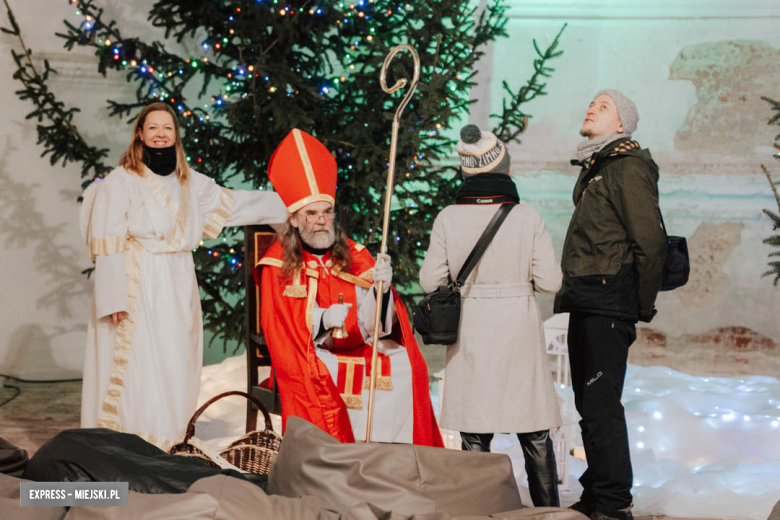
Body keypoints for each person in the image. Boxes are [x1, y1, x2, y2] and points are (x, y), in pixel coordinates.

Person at [79, 102, 288, 450]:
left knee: (177, 357)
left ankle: (168, 434)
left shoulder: (190, 182)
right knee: (140, 362)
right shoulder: (121, 181)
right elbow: (109, 241)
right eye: (153, 128)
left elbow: (235, 203)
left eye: (168, 128)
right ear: (140, 134)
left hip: (178, 280)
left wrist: (290, 204)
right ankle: (130, 438)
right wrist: (113, 297)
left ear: (176, 136)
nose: (160, 134)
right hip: (138, 281)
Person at [254, 128, 443, 446]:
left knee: (407, 366)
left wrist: (380, 291)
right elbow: (282, 329)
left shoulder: (356, 255)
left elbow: (381, 327)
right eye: (311, 214)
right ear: (295, 220)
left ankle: (390, 463)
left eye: (326, 212)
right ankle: (336, 465)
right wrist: (323, 320)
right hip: (312, 352)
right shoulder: (278, 264)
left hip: (359, 345)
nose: (321, 220)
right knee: (321, 373)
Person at [419, 124, 563, 507]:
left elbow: (430, 279)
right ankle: (548, 513)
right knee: (534, 431)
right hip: (518, 327)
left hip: (472, 329)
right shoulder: (527, 216)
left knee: (475, 431)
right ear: (503, 168)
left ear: (467, 171)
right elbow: (550, 281)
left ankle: (478, 511)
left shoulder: (447, 217)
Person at [554, 90, 667, 520]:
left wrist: (634, 305)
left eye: (603, 106)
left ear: (621, 125)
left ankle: (615, 504)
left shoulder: (628, 168)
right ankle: (598, 492)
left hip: (608, 302)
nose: (591, 108)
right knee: (588, 405)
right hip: (587, 298)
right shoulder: (597, 168)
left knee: (601, 405)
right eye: (591, 103)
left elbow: (650, 243)